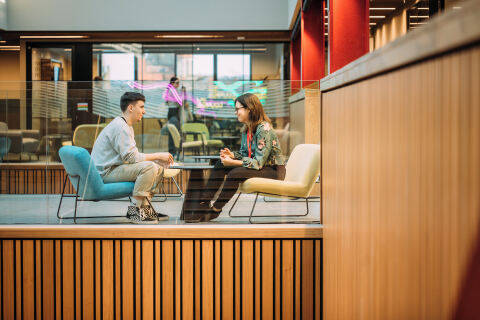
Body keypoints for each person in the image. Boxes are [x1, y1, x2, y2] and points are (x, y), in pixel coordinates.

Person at [186, 93, 286, 222]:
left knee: (234, 173)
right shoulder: (247, 128)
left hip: (273, 171)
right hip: (261, 167)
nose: (236, 112)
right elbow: (246, 153)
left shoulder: (263, 129)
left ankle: (215, 210)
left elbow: (259, 162)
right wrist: (232, 155)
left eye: (238, 109)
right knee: (220, 163)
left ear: (249, 109)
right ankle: (204, 203)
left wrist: (234, 162)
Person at [91, 92, 174, 224]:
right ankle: (134, 213)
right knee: (149, 167)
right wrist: (158, 155)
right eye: (141, 107)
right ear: (131, 108)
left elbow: (130, 157)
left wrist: (155, 160)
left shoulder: (125, 125)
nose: (144, 111)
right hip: (105, 173)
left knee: (157, 167)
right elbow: (132, 158)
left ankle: (145, 210)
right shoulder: (121, 127)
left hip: (114, 168)